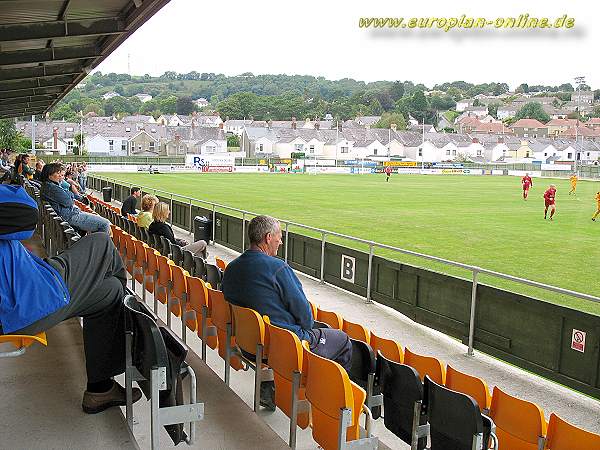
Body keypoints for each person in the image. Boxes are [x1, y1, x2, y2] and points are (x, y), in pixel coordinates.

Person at [0, 184, 142, 413]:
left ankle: (100, 389)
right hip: (26, 300)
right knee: (101, 242)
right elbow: (27, 213)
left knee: (110, 291)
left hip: (23, 290)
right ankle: (134, 320)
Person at [221, 215, 352, 410]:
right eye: (278, 237)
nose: (280, 242)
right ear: (267, 238)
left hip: (250, 345)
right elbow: (307, 319)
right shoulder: (278, 268)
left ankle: (270, 388)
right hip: (283, 347)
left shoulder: (231, 268)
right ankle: (336, 407)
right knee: (343, 341)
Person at [40, 162, 110, 234]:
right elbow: (69, 202)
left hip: (69, 214)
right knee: (105, 224)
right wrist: (69, 193)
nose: (60, 176)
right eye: (57, 173)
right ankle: (100, 244)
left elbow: (69, 198)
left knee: (99, 219)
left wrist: (68, 193)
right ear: (49, 175)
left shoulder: (48, 186)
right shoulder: (52, 188)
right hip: (70, 216)